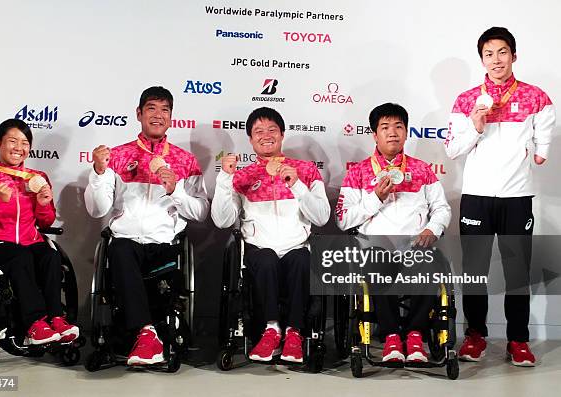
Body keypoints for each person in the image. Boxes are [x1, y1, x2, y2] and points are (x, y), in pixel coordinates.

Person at [445, 27, 555, 367]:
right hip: (477, 197)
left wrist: (542, 150)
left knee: (517, 272)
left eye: (502, 52)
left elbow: (546, 126)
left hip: (517, 197)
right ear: (482, 59)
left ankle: (518, 340)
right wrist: (476, 125)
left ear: (514, 56)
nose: (496, 59)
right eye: (489, 54)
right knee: (476, 271)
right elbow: (452, 150)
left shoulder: (536, 96)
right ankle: (475, 335)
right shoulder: (466, 100)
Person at [84, 86, 209, 366]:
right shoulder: (116, 156)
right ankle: (146, 333)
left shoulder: (185, 160)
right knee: (120, 251)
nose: (158, 115)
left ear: (171, 117)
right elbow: (97, 210)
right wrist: (99, 173)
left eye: (165, 110)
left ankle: (149, 335)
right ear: (139, 114)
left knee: (146, 258)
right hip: (126, 241)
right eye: (151, 108)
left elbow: (201, 212)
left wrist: (176, 190)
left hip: (165, 244)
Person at [211, 107, 330, 363]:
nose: (266, 136)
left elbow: (321, 217)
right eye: (258, 132)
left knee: (301, 260)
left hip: (296, 246)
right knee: (265, 259)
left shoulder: (306, 170)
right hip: (258, 247)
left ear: (282, 134)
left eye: (272, 130)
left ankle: (294, 334)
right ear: (251, 140)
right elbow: (222, 221)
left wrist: (296, 184)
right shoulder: (241, 177)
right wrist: (224, 179)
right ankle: (271, 330)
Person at [336, 103, 451, 363]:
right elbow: (343, 219)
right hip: (377, 249)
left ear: (407, 132)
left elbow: (442, 209)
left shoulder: (422, 170)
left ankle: (414, 336)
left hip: (415, 247)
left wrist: (432, 228)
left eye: (398, 127)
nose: (393, 133)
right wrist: (375, 197)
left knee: (431, 263)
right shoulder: (358, 173)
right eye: (385, 127)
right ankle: (390, 337)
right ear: (374, 135)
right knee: (378, 261)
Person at [0, 118, 79, 345]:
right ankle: (35, 324)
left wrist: (44, 203)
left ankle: (56, 318)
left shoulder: (38, 178)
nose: (19, 147)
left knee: (50, 256)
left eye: (25, 142)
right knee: (21, 256)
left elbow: (45, 223)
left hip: (30, 239)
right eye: (12, 141)